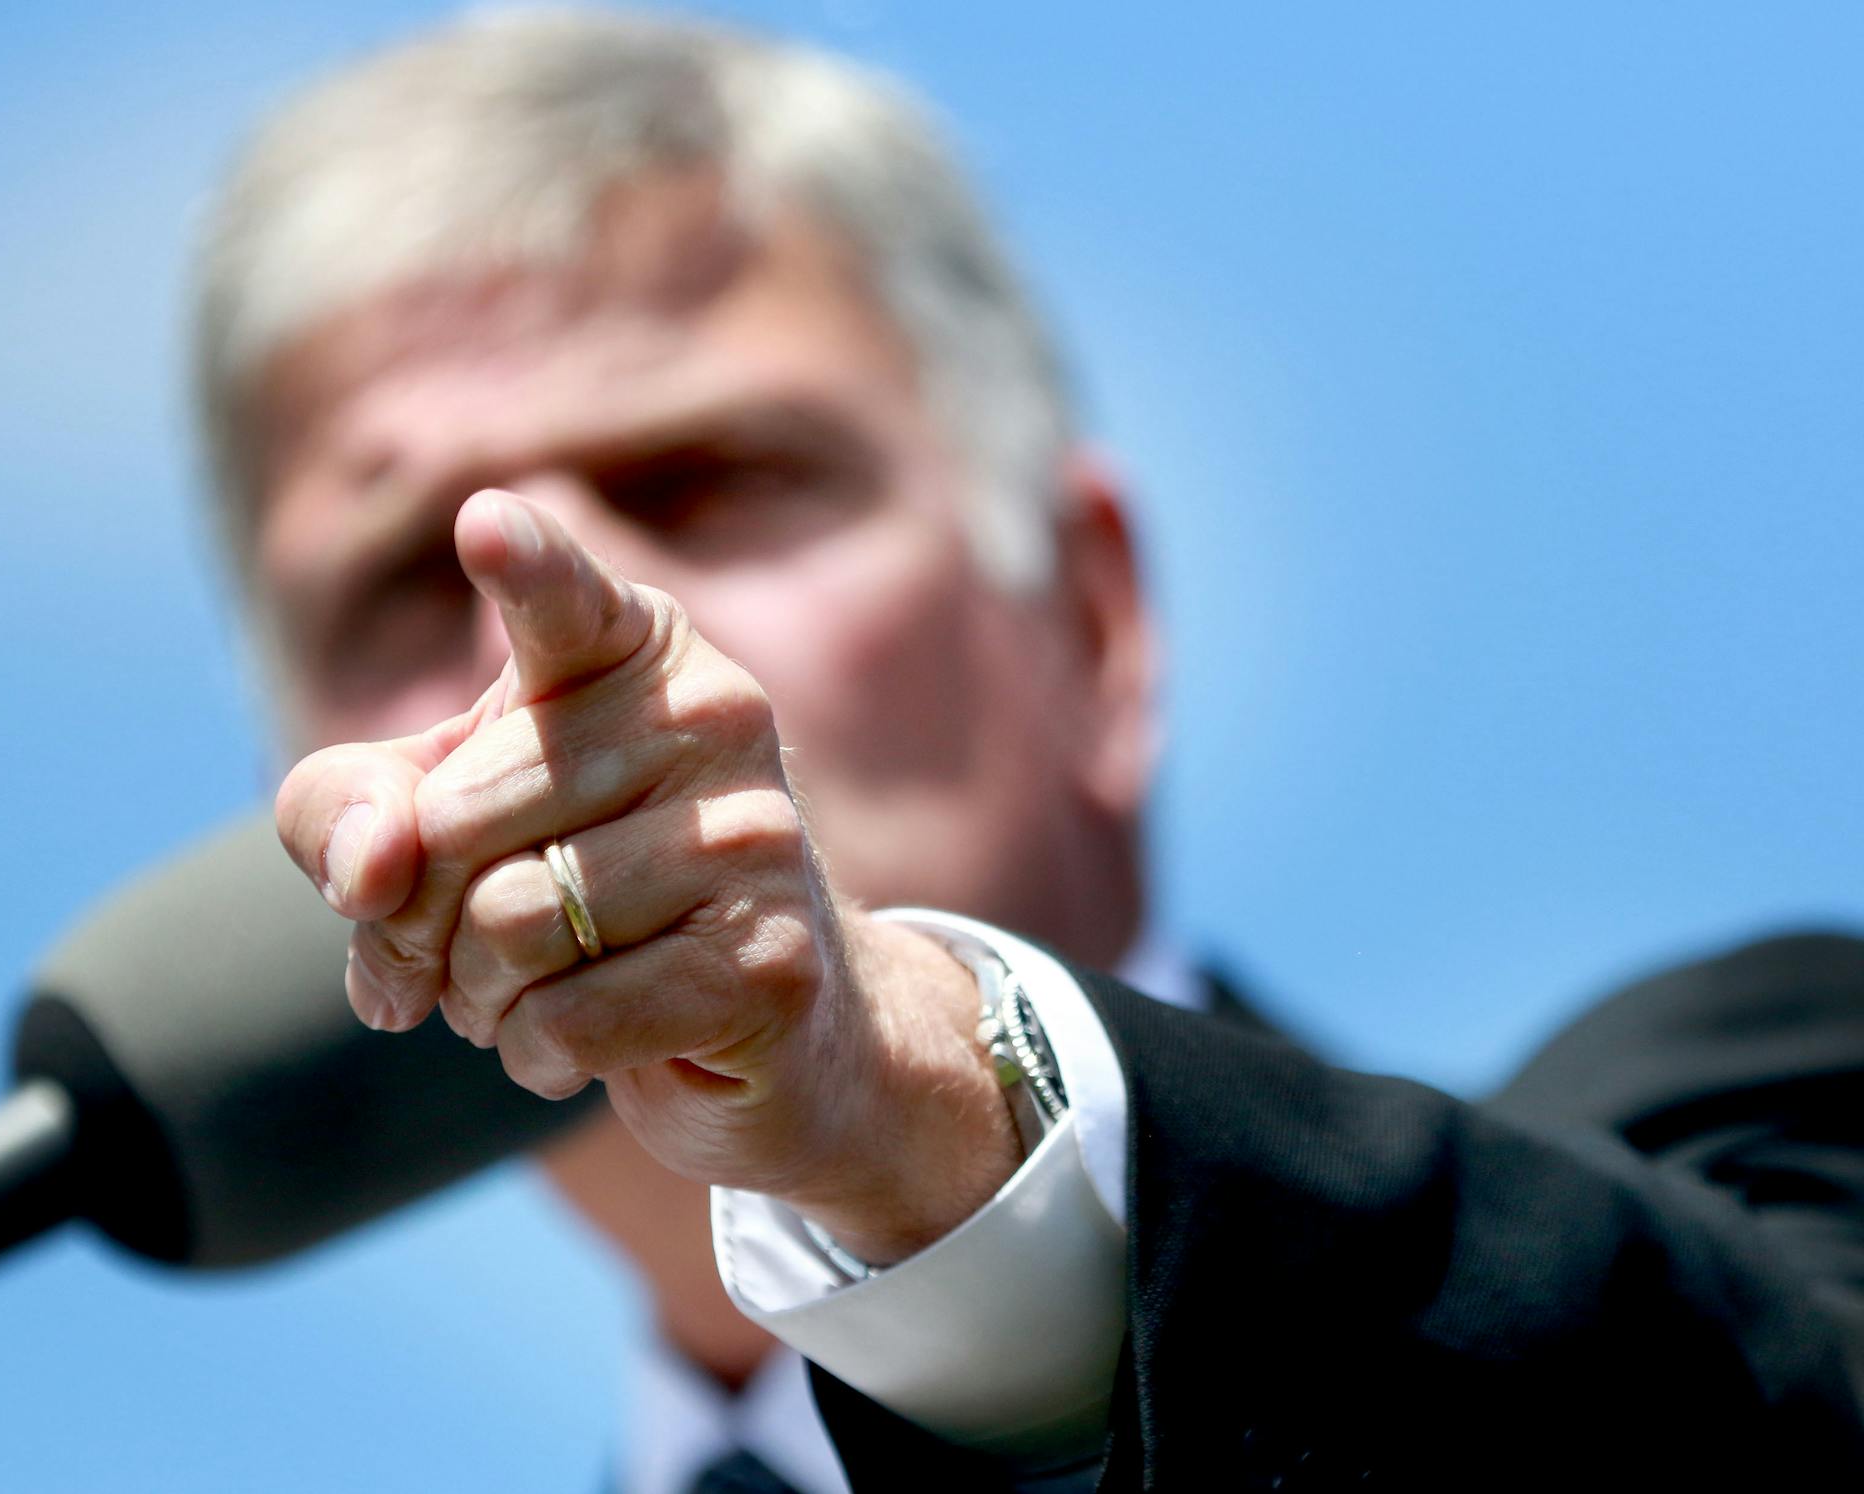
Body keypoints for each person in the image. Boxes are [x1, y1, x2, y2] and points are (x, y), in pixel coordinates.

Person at [191, 9, 1864, 1488]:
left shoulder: (1778, 1125)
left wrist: (919, 1098)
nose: (554, 640)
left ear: (1090, 622)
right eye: (407, 576)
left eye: (710, 478)